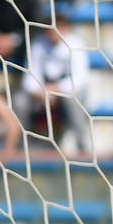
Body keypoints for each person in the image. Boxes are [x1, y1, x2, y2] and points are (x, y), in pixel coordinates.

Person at [19, 15, 91, 155]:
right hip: (41, 94)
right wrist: (40, 91)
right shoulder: (38, 45)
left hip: (65, 93)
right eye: (50, 29)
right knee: (19, 101)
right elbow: (29, 76)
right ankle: (24, 146)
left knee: (73, 100)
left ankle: (82, 147)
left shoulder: (76, 45)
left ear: (66, 29)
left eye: (58, 28)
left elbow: (81, 78)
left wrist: (55, 89)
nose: (54, 33)